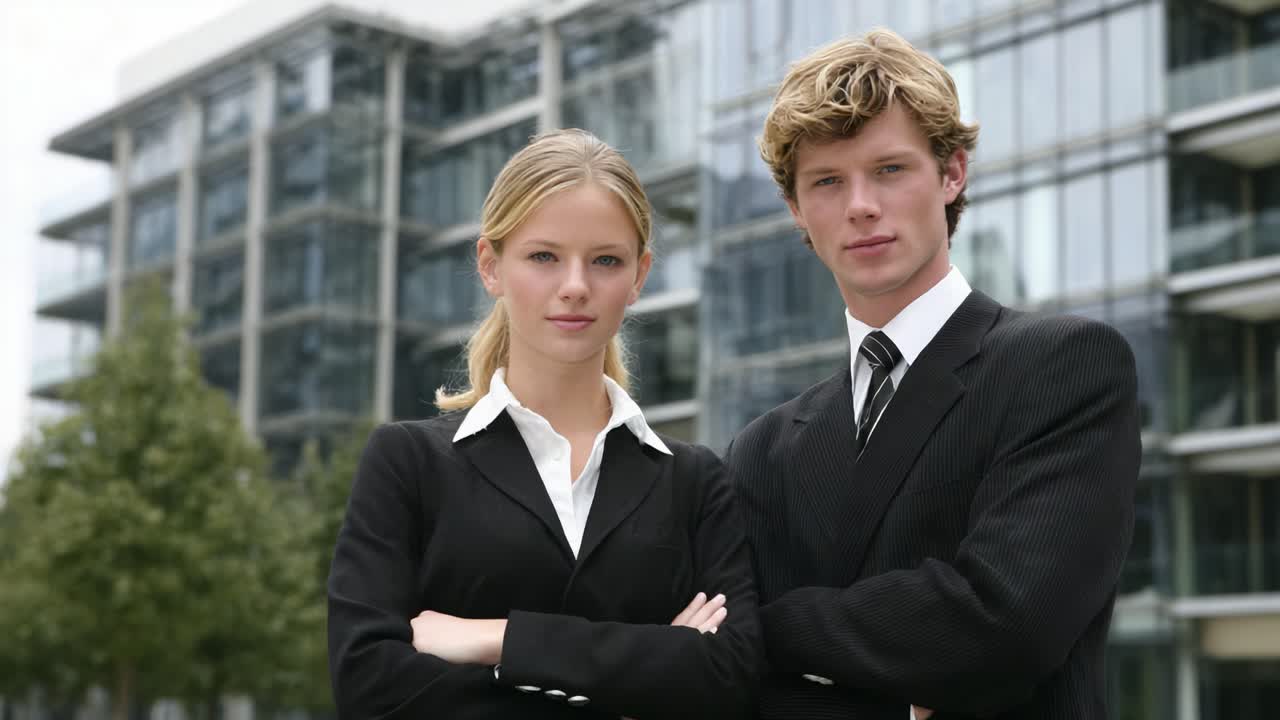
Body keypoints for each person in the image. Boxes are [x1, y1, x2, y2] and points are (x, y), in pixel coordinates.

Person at [726, 29, 1141, 720]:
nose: (860, 205)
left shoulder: (1064, 367)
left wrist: (765, 630)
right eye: (827, 181)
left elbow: (1005, 623)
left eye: (889, 169)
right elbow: (722, 678)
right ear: (796, 209)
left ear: (952, 174)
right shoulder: (759, 450)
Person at [327, 128, 762, 720]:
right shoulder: (407, 463)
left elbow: (732, 679)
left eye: (606, 260)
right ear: (491, 266)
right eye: (543, 257)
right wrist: (655, 666)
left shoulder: (695, 481)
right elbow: (370, 685)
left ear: (639, 276)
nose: (575, 286)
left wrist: (501, 640)